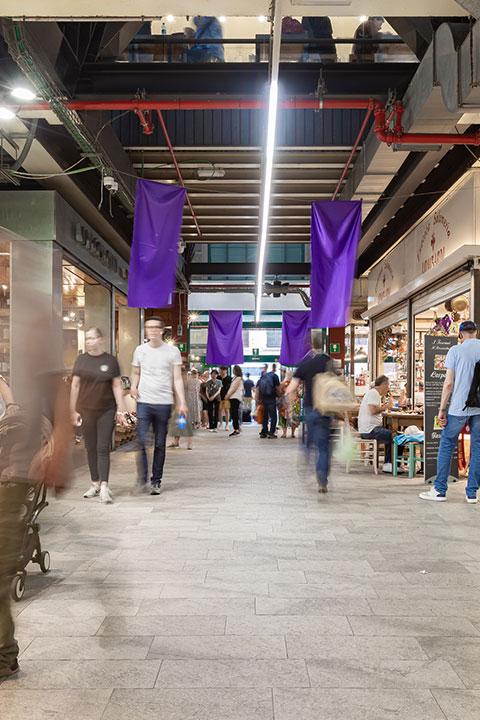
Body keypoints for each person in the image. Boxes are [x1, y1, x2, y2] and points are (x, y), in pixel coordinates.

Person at [0, 314, 71, 679]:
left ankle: (4, 654)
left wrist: (56, 451)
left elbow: (60, 404)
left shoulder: (36, 347)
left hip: (14, 473)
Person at [420, 320, 480, 503]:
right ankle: (471, 493)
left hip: (458, 407)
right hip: (479, 407)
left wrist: (441, 410)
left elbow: (448, 384)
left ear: (460, 335)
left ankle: (440, 490)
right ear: (476, 332)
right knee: (477, 448)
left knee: (447, 444)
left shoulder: (455, 350)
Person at [130, 316, 187, 495]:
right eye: (148, 327)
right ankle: (142, 479)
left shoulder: (172, 352)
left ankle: (156, 481)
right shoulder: (140, 350)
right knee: (141, 441)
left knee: (160, 444)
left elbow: (177, 378)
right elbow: (135, 372)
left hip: (164, 403)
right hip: (144, 402)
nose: (151, 331)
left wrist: (182, 401)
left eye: (155, 327)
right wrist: (133, 385)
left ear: (162, 330)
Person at [71, 328, 127, 504]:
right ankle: (94, 483)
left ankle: (104, 486)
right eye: (87, 339)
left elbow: (117, 386)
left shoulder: (110, 360)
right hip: (86, 409)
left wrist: (121, 410)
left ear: (100, 340)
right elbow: (75, 386)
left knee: (103, 447)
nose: (89, 342)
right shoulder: (81, 360)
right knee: (90, 447)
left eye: (93, 338)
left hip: (106, 409)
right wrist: (72, 410)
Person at [286, 336, 331, 490]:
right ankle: (322, 478)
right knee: (324, 446)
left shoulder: (305, 363)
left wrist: (291, 409)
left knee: (309, 441)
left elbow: (291, 389)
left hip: (310, 408)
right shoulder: (329, 362)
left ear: (311, 345)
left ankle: (306, 463)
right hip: (326, 409)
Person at [358, 375, 403, 473]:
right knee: (399, 437)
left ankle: (389, 463)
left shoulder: (373, 393)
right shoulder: (373, 393)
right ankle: (390, 464)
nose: (388, 389)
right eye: (388, 385)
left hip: (369, 429)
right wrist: (387, 406)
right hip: (370, 430)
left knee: (393, 435)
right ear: (383, 384)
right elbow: (373, 410)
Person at [168, 369, 195, 450]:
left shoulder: (181, 382)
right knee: (178, 424)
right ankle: (177, 442)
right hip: (181, 405)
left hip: (182, 405)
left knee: (184, 424)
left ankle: (188, 443)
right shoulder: (182, 381)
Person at [256, 363, 281, 438]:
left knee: (265, 416)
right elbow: (277, 388)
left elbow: (258, 388)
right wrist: (280, 396)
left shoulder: (263, 376)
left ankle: (264, 431)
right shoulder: (274, 376)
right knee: (273, 416)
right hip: (271, 398)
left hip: (263, 399)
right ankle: (271, 432)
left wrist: (258, 400)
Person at [278, 370, 301, 438]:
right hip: (295, 403)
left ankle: (284, 433)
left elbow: (280, 393)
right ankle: (293, 433)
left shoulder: (282, 384)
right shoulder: (297, 384)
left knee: (284, 417)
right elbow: (299, 394)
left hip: (285, 403)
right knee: (294, 417)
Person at [226, 365, 244, 437]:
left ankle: (236, 429)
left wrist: (228, 395)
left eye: (233, 369)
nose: (232, 371)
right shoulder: (234, 378)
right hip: (232, 397)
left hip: (235, 397)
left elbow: (235, 388)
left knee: (234, 413)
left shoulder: (239, 378)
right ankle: (236, 427)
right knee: (234, 413)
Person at [218, 366, 232, 431]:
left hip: (226, 397)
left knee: (227, 410)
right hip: (219, 396)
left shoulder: (229, 378)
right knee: (219, 410)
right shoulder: (218, 377)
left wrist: (228, 395)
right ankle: (221, 423)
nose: (222, 371)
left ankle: (227, 424)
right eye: (221, 370)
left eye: (223, 370)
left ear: (226, 370)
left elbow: (231, 388)